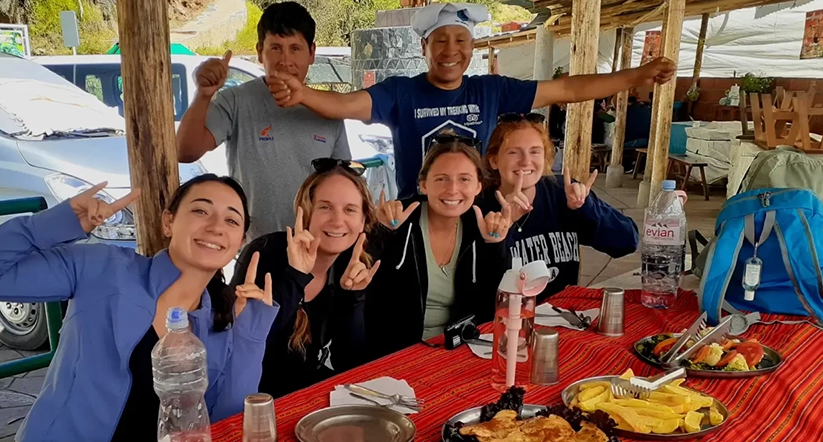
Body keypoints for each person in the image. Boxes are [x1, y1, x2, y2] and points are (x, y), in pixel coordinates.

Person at [0, 175, 277, 442]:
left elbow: (223, 424)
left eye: (232, 221)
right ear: (168, 222)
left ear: (240, 241)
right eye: (200, 211)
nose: (216, 226)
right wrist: (51, 225)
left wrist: (251, 334)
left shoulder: (222, 318)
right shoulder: (103, 269)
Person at [267, 2, 676, 197]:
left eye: (460, 40)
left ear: (472, 46)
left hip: (481, 214)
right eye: (440, 41)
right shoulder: (400, 93)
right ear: (424, 47)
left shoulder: (489, 89)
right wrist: (302, 93)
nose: (450, 50)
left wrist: (636, 76)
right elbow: (344, 104)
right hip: (417, 217)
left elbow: (567, 90)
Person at [176, 2, 351, 238]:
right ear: (260, 52)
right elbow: (185, 152)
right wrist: (204, 94)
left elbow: (344, 184)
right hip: (255, 248)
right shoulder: (236, 100)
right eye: (276, 48)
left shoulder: (328, 109)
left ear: (312, 53)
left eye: (295, 48)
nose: (285, 59)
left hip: (316, 249)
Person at [232, 159, 381, 397]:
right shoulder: (266, 253)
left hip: (311, 396)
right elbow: (246, 351)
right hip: (255, 403)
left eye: (350, 209)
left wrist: (354, 298)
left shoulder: (352, 265)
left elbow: (351, 363)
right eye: (325, 207)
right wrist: (296, 276)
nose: (337, 220)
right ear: (306, 211)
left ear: (363, 220)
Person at [365, 137, 512, 359]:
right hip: (396, 355)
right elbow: (366, 291)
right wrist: (381, 232)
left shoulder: (480, 226)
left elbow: (494, 307)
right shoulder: (399, 220)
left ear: (478, 185)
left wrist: (495, 246)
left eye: (464, 179)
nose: (453, 189)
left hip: (460, 349)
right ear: (423, 185)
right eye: (441, 179)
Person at [480, 113, 638, 301]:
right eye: (514, 152)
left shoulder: (561, 193)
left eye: (535, 151)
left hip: (562, 318)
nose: (525, 161)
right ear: (494, 160)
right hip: (508, 321)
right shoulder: (480, 206)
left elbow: (627, 242)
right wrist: (504, 229)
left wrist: (585, 208)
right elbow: (478, 290)